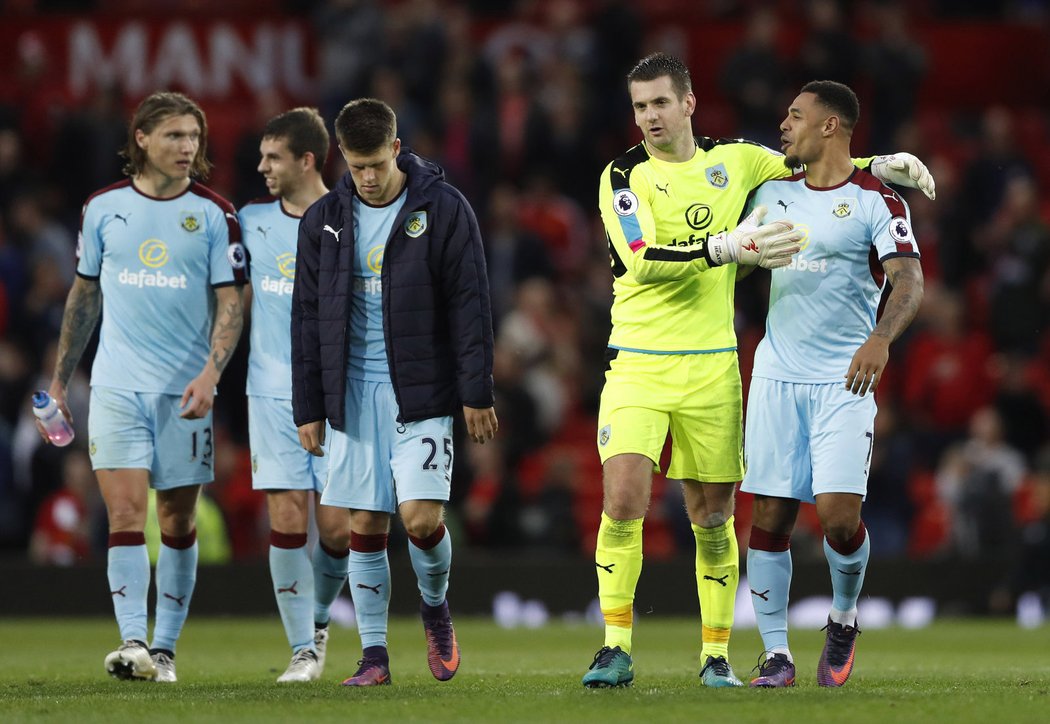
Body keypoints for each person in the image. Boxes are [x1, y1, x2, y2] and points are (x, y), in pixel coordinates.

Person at [584, 52, 935, 689]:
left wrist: (877, 164)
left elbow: (822, 168)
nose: (649, 117)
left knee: (728, 515)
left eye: (661, 102)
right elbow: (638, 258)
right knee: (630, 498)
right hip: (648, 359)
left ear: (689, 103)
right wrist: (724, 246)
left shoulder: (742, 166)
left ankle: (726, 654)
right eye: (639, 106)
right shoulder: (624, 175)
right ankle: (627, 649)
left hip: (723, 365)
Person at [38, 91, 247, 682]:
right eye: (176, 136)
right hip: (116, 386)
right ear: (142, 139)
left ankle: (166, 649)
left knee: (177, 522)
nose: (188, 148)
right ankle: (133, 642)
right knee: (126, 512)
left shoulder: (213, 213)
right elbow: (84, 296)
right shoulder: (102, 209)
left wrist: (212, 373)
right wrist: (59, 381)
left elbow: (231, 302)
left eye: (194, 138)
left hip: (185, 394)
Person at [291, 98, 497, 687]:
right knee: (365, 526)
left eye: (378, 163)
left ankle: (434, 608)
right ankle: (374, 657)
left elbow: (471, 303)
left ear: (397, 150)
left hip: (422, 392)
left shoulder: (443, 208)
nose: (370, 178)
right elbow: (307, 319)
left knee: (420, 518)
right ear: (343, 162)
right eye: (358, 167)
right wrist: (309, 406)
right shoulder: (324, 220)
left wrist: (475, 391)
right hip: (352, 393)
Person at [742, 81, 925, 688]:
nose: (783, 123)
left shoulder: (878, 201)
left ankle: (843, 620)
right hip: (776, 374)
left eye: (795, 114)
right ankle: (775, 655)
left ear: (830, 126)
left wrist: (880, 339)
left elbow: (908, 281)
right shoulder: (768, 192)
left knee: (839, 518)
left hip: (844, 379)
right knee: (769, 513)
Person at [239, 107, 353, 683]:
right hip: (270, 391)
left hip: (338, 396)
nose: (261, 166)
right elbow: (229, 300)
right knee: (286, 515)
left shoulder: (352, 217)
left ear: (307, 160)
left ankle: (318, 622)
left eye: (272, 157)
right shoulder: (249, 221)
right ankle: (303, 651)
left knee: (335, 529)